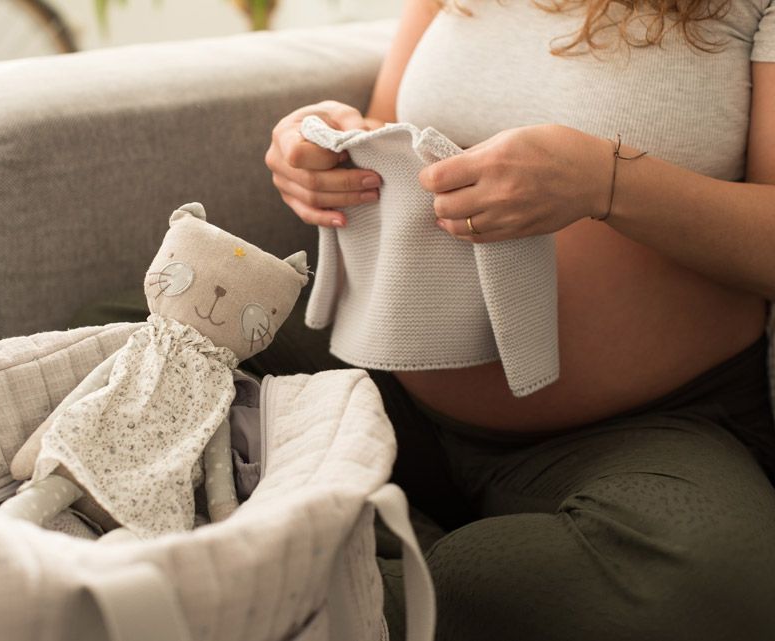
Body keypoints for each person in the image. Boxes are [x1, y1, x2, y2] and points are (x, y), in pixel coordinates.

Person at [258, 0, 775, 638]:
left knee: (710, 588)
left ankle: (321, 581)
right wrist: (320, 152)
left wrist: (605, 182)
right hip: (382, 385)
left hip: (645, 430)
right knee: (141, 339)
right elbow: (384, 130)